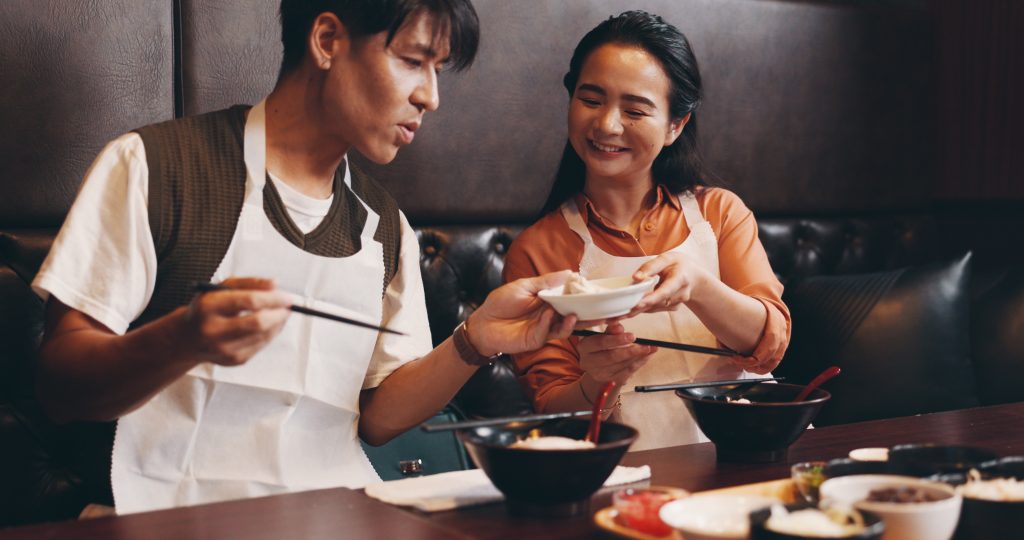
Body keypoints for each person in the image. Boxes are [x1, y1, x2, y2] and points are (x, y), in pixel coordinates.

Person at [32, 0, 591, 514]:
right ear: (327, 40)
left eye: (438, 71)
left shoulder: (381, 223)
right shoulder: (156, 167)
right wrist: (184, 337)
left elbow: (376, 417)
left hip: (335, 513)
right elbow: (61, 389)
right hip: (168, 514)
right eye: (412, 61)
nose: (430, 96)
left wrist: (476, 339)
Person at [504, 11, 791, 451]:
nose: (606, 125)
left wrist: (698, 286)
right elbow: (554, 413)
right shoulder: (537, 250)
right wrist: (595, 380)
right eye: (591, 99)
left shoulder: (719, 213)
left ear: (676, 125)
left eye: (635, 110)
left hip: (749, 453)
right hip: (628, 475)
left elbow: (769, 344)